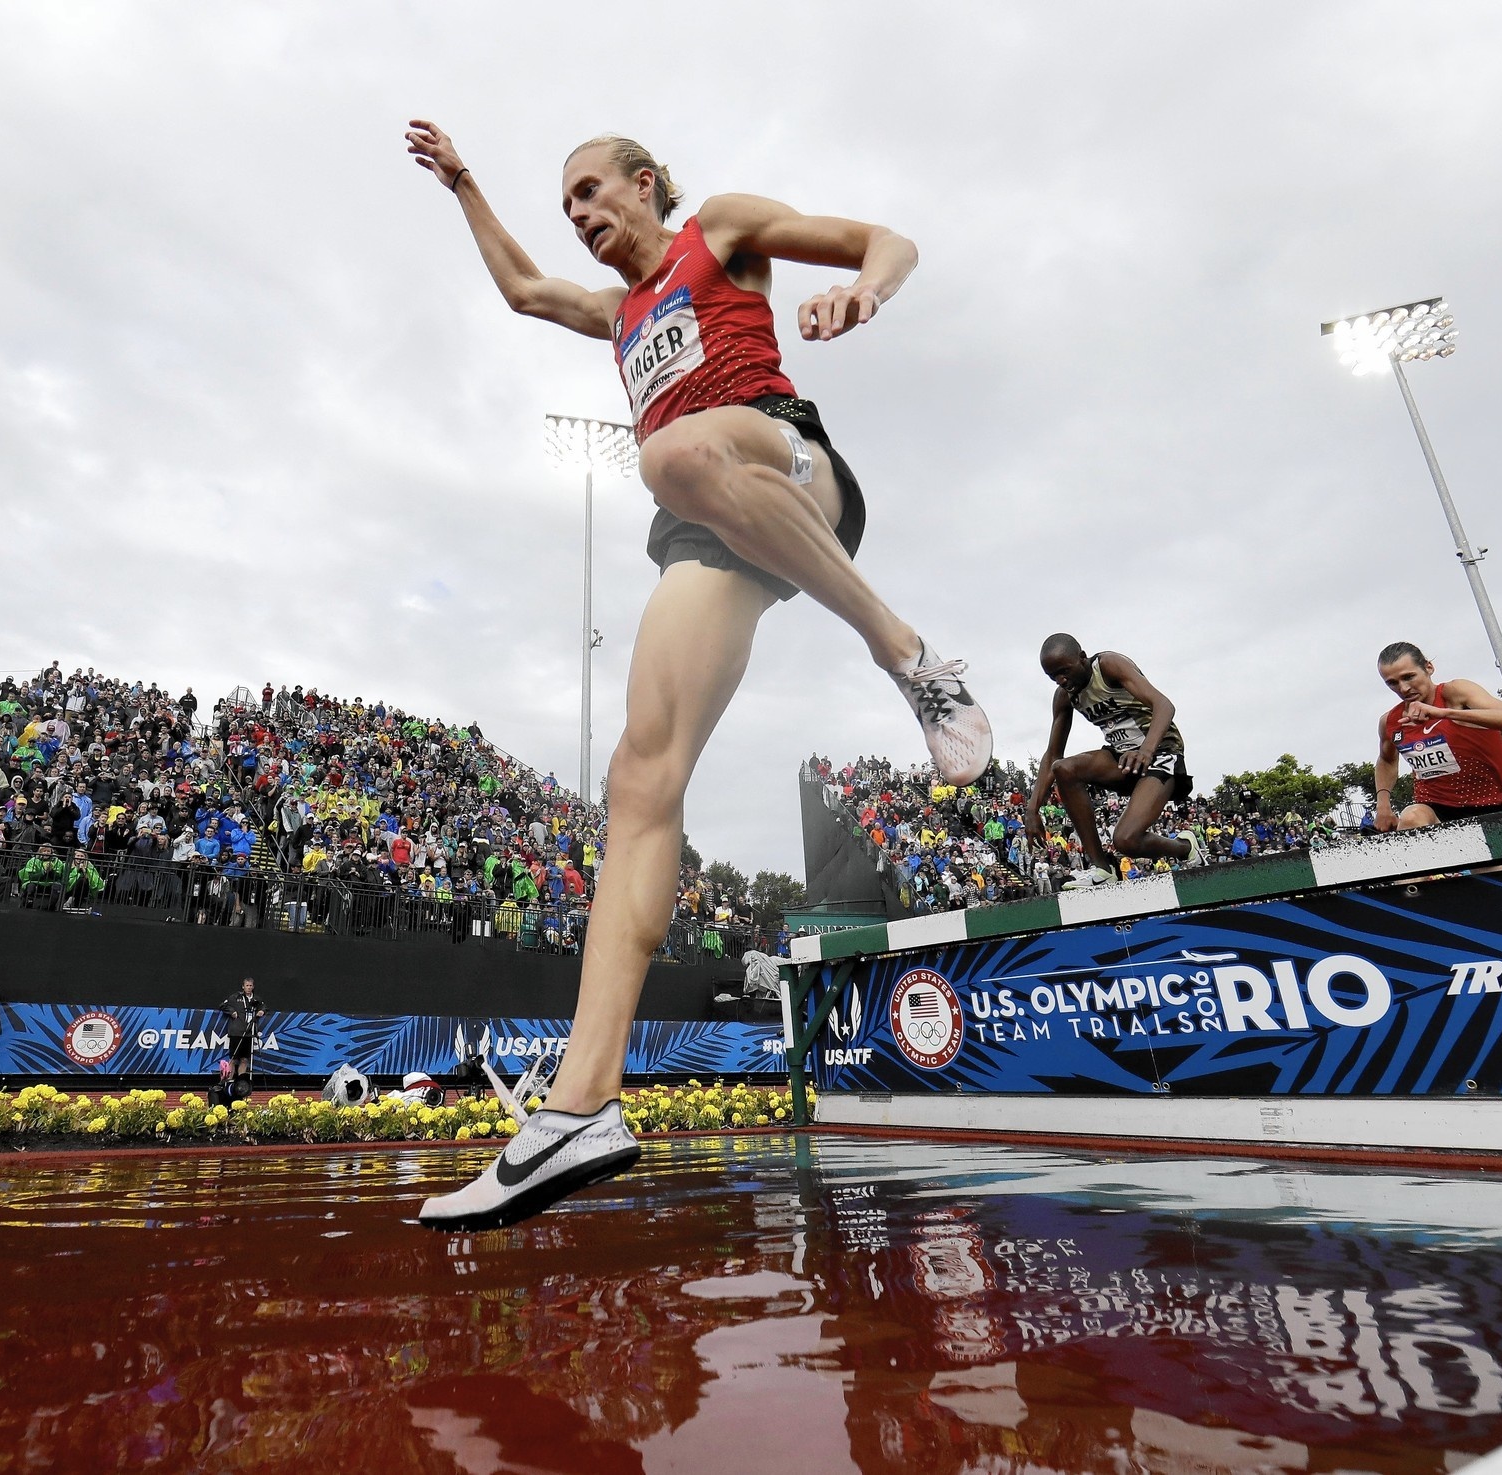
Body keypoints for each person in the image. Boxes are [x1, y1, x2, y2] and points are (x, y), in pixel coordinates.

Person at [404, 123, 993, 1230]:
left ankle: (902, 651)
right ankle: (579, 1108)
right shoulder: (617, 311)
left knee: (670, 454)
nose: (578, 213)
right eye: (565, 202)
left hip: (788, 466)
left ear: (644, 183)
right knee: (640, 776)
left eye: (590, 190)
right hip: (707, 528)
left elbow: (888, 238)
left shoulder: (717, 230)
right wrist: (465, 187)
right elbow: (527, 291)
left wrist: (863, 290)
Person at [1025, 635, 1192, 889]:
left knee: (1126, 841)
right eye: (1053, 677)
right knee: (1064, 769)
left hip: (1160, 751)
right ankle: (1102, 868)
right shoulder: (1064, 696)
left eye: (1064, 671)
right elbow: (1052, 754)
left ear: (1082, 658)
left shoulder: (1108, 666)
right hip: (1122, 757)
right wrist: (1032, 809)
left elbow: (1164, 705)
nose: (1061, 680)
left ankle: (1185, 847)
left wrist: (1146, 750)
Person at [1371, 642, 1502, 830]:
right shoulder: (1390, 721)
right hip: (1435, 810)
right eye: (1392, 683)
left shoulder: (1456, 693)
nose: (1403, 688)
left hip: (1491, 808)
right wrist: (1383, 806)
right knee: (1412, 818)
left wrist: (1444, 713)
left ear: (1428, 667)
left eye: (1409, 677)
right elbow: (1386, 760)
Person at [219, 976, 268, 1097]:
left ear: (253, 987)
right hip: (237, 1032)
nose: (249, 988)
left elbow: (264, 1006)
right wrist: (232, 1012)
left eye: (251, 986)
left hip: (249, 1033)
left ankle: (241, 1083)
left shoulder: (256, 999)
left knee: (244, 1059)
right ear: (243, 986)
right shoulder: (236, 997)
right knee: (234, 1058)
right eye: (247, 985)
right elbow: (223, 1005)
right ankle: (229, 1082)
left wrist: (262, 1011)